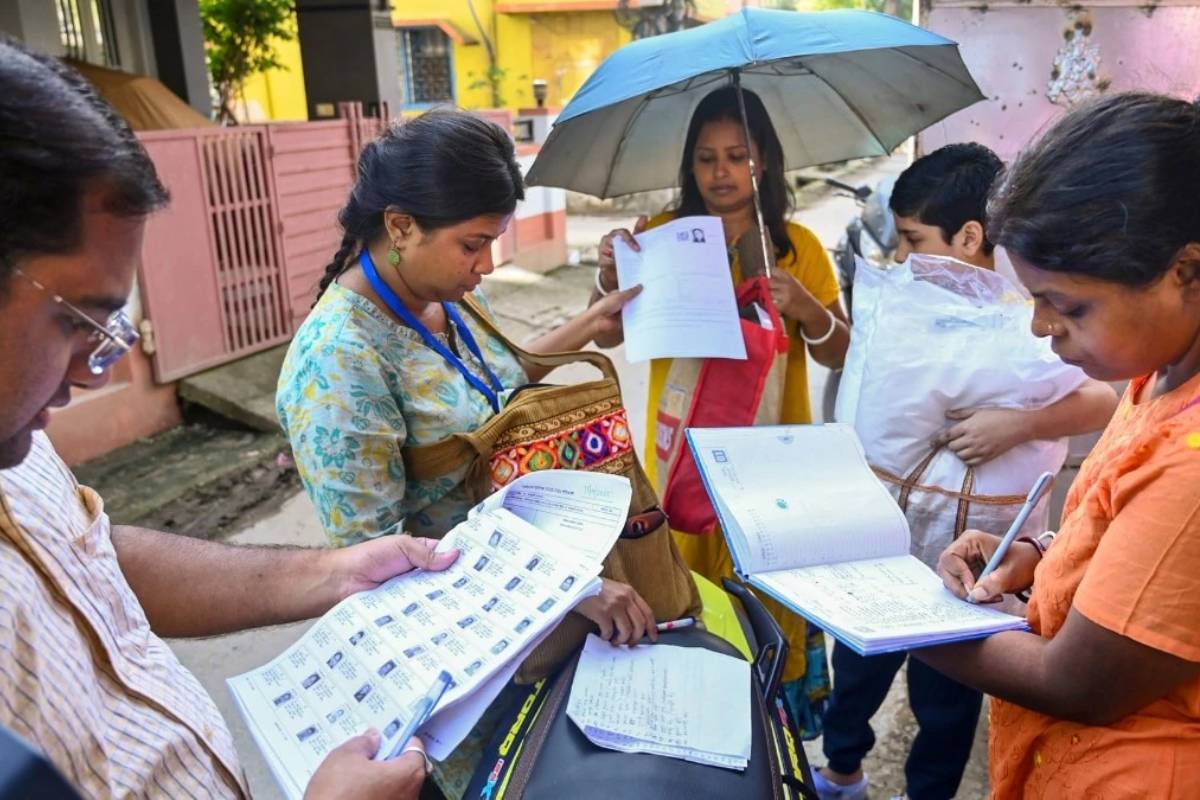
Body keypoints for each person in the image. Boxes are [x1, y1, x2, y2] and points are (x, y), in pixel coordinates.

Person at [0, 37, 452, 800]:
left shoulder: (18, 440)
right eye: (79, 321)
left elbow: (90, 554)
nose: (90, 368)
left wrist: (334, 572)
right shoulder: (340, 350)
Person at [275, 110, 660, 796]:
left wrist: (582, 326)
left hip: (530, 626)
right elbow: (378, 570)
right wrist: (565, 593)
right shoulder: (337, 364)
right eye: (473, 245)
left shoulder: (434, 297)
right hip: (461, 675)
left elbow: (480, 394)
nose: (485, 267)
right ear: (399, 226)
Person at [912, 93, 1200, 799]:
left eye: (1067, 306)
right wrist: (1038, 559)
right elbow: (1131, 544)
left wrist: (900, 623)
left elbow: (1079, 681)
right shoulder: (1159, 374)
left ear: (1185, 273)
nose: (1041, 328)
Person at [815, 144, 1120, 800]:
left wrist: (1018, 424)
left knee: (948, 699)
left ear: (971, 236)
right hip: (885, 537)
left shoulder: (1030, 316)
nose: (901, 258)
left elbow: (1102, 398)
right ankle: (841, 770)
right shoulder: (898, 302)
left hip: (976, 554)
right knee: (859, 669)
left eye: (914, 240)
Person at [593, 86, 850, 734]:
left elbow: (841, 351)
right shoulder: (659, 237)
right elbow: (610, 336)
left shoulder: (799, 250)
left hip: (771, 470)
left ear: (763, 161)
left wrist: (807, 310)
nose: (721, 173)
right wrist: (608, 276)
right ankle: (693, 741)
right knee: (684, 598)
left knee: (765, 595)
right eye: (707, 158)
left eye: (737, 156)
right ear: (690, 165)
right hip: (679, 466)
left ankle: (769, 743)